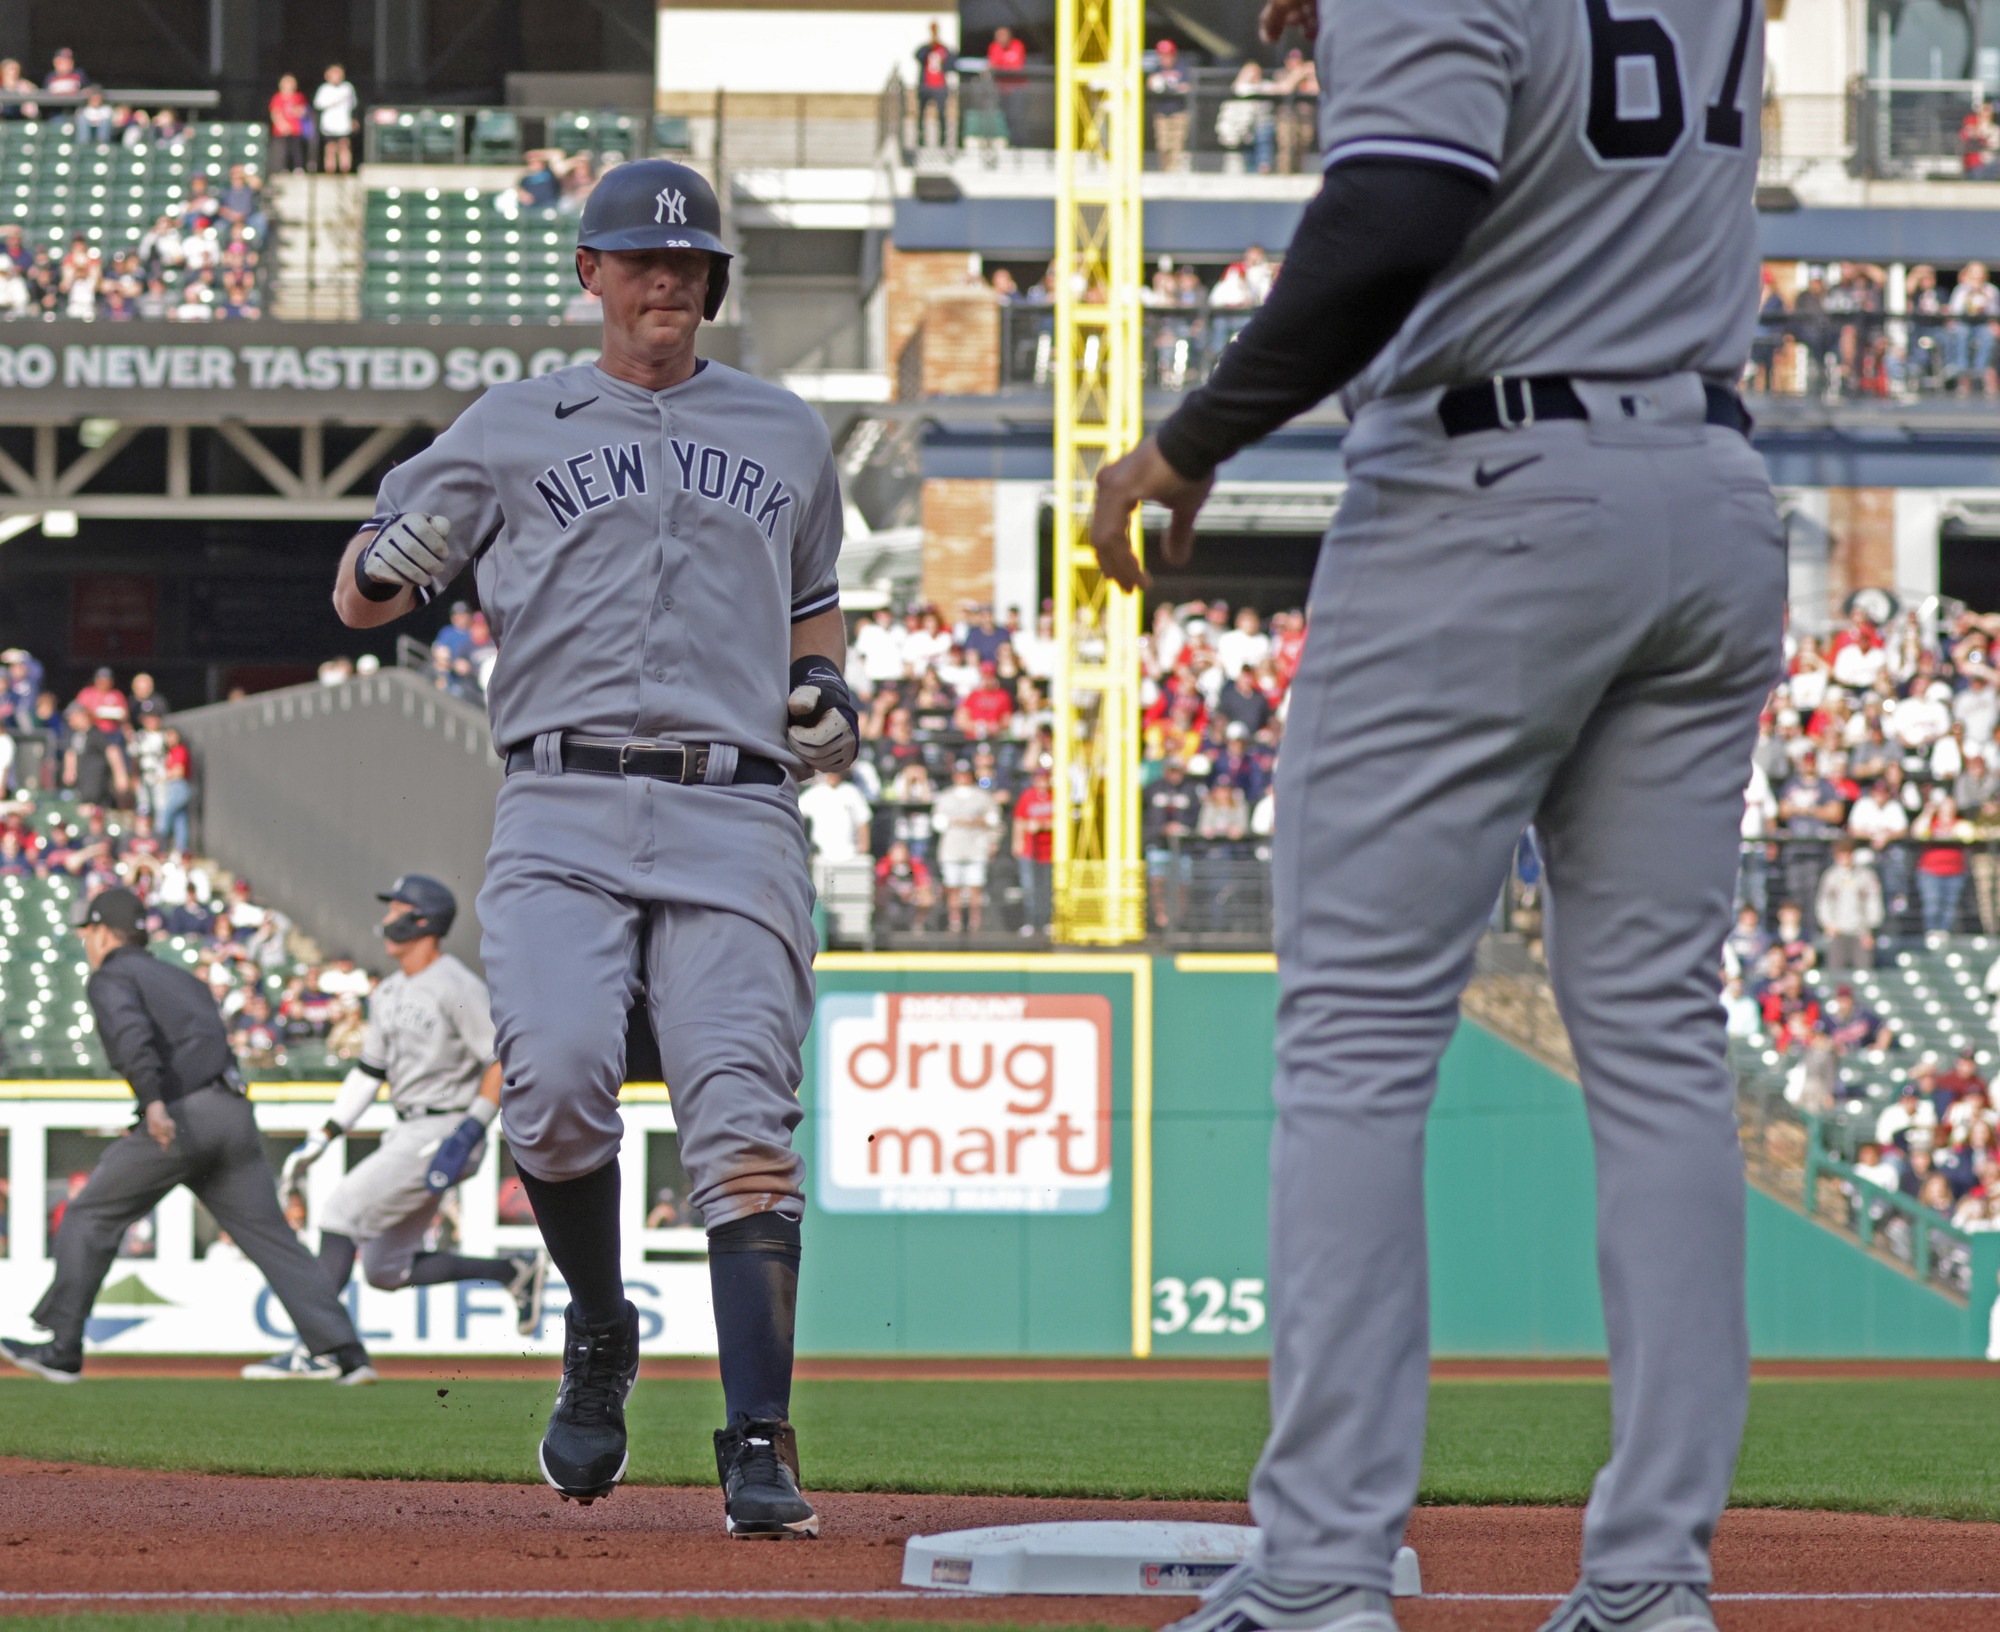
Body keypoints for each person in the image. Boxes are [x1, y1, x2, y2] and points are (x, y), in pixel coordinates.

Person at [1088, 0, 1781, 1620]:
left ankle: (1324, 1563)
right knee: (1666, 1055)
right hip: (1713, 487)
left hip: (1491, 491)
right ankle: (1654, 1576)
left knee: (1354, 1037)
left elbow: (1398, 207)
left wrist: (1192, 441)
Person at [329, 159, 842, 1538]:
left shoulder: (787, 431)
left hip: (736, 807)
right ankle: (604, 1327)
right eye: (642, 260)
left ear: (713, 285)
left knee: (742, 1125)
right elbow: (364, 590)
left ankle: (756, 1438)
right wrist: (395, 556)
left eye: (690, 266)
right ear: (593, 276)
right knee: (552, 1089)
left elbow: (817, 612)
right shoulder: (510, 423)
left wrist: (827, 691)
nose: (667, 281)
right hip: (559, 798)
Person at [2, 888, 375, 1384]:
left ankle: (63, 1349)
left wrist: (152, 1102)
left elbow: (131, 1037)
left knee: (91, 1213)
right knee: (274, 1240)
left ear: (103, 931)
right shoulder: (180, 976)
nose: (86, 940)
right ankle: (345, 1354)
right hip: (233, 1112)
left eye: (88, 930)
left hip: (179, 1117)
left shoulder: (112, 974)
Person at [243, 877, 546, 1378]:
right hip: (411, 1129)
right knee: (385, 1271)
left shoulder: (456, 985)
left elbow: (501, 1060)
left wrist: (470, 1129)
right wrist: (326, 1133)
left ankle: (318, 1351)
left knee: (339, 1210)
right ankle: (510, 1270)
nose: (387, 918)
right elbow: (369, 1073)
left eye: (398, 908)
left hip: (444, 1128)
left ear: (423, 920)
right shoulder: (389, 991)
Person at [931, 760, 998, 933]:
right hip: (952, 848)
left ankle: (975, 924)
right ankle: (956, 923)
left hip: (976, 847)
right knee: (953, 888)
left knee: (975, 888)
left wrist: (974, 821)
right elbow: (938, 823)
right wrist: (959, 821)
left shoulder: (982, 796)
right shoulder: (945, 797)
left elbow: (993, 820)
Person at [1815, 840, 1883, 976]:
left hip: (1860, 932)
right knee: (1836, 973)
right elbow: (1824, 903)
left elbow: (1874, 903)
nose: (1844, 858)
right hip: (1838, 932)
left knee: (1864, 973)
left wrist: (1869, 928)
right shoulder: (1830, 876)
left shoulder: (1866, 876)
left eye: (1847, 854)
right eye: (1841, 855)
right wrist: (1828, 923)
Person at [1012, 762, 1056, 936]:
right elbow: (1019, 820)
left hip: (1051, 851)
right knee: (1030, 887)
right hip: (1031, 850)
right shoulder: (1028, 796)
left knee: (1048, 888)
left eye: (1044, 778)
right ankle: (1031, 921)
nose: (1041, 782)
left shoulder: (1056, 796)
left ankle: (1048, 922)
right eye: (1038, 778)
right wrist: (1017, 842)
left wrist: (1043, 824)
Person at [1148, 40, 1191, 173]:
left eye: (1168, 55)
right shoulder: (1157, 69)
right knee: (1163, 144)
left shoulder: (1181, 68)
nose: (1165, 59)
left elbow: (1188, 85)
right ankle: (1165, 170)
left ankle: (1173, 171)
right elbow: (1150, 84)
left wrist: (1178, 88)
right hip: (1162, 112)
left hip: (1179, 112)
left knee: (1177, 144)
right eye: (1162, 55)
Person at [987, 26, 1028, 146]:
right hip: (1001, 90)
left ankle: (1019, 144)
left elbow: (1017, 66)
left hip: (1017, 89)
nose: (1001, 39)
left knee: (1017, 118)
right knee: (1005, 118)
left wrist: (1002, 64)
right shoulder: (994, 47)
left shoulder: (1017, 45)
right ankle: (1008, 143)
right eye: (999, 36)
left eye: (1004, 35)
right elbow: (993, 65)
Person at [914, 24, 952, 149]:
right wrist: (929, 46)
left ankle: (942, 140)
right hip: (926, 86)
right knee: (921, 114)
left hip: (940, 86)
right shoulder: (926, 49)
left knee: (941, 114)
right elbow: (918, 56)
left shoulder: (943, 49)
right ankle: (920, 138)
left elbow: (951, 63)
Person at [314, 65, 357, 174]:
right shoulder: (324, 89)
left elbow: (353, 105)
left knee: (344, 145)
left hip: (343, 124)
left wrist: (354, 120)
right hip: (329, 125)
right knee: (330, 148)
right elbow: (318, 104)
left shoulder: (347, 88)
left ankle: (345, 170)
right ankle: (330, 170)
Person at [270, 75, 310, 173]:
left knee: (296, 149)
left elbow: (304, 110)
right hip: (281, 130)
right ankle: (283, 168)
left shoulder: (298, 97)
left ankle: (298, 168)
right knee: (282, 150)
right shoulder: (278, 98)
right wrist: (283, 125)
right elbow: (275, 113)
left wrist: (299, 112)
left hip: (295, 129)